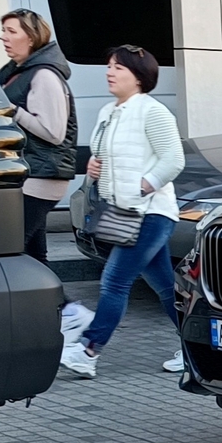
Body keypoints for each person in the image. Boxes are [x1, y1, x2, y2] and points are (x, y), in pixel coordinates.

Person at [64, 44, 183, 379]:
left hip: (151, 212)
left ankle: (88, 350)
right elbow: (105, 155)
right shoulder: (108, 112)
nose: (109, 72)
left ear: (139, 76)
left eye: (118, 67)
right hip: (124, 212)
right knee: (164, 287)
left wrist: (143, 186)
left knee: (115, 280)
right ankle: (197, 349)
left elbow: (173, 160)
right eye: (109, 66)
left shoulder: (153, 112)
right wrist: (94, 166)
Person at [0, 10, 89, 340]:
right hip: (27, 175)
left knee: (8, 248)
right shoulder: (17, 73)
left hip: (41, 177)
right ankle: (60, 314)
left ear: (31, 37)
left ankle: (68, 312)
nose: (4, 37)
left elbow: (53, 131)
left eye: (11, 31)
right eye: (2, 31)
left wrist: (13, 112)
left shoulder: (45, 75)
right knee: (33, 254)